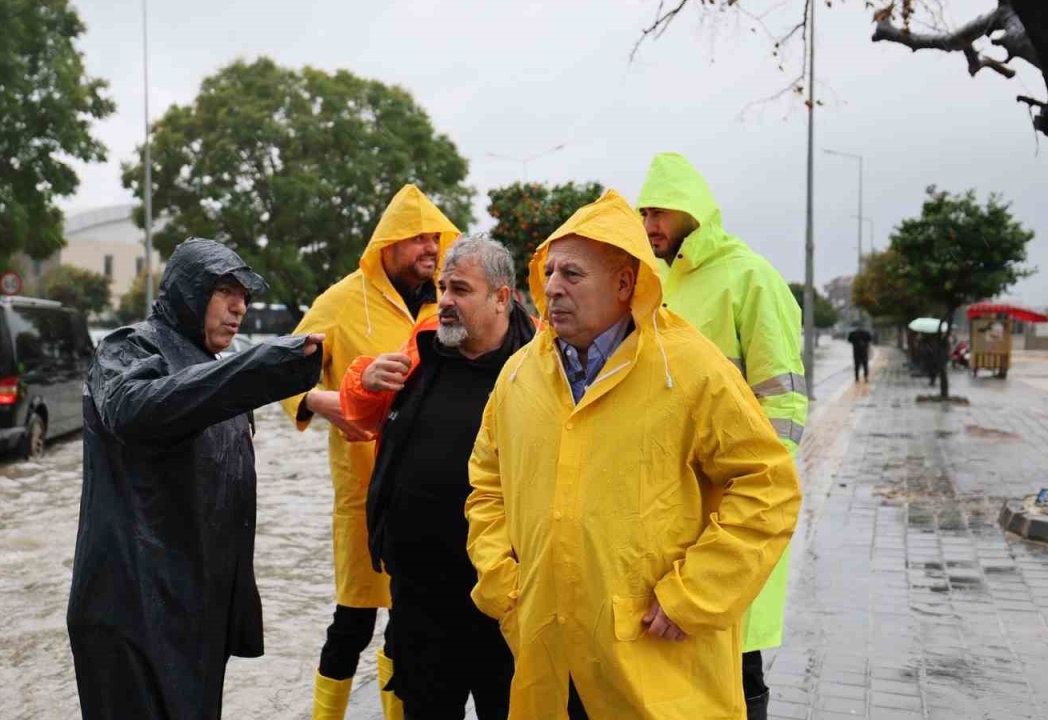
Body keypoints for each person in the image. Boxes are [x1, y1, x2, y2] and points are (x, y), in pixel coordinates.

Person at [466, 189, 801, 719]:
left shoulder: (690, 369)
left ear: (626, 284)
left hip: (651, 658)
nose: (552, 287)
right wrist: (502, 583)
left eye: (572, 275)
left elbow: (769, 484)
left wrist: (693, 593)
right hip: (546, 652)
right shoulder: (520, 375)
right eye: (549, 271)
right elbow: (487, 483)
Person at [67, 238, 324, 720]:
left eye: (244, 296)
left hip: (193, 611)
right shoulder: (127, 347)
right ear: (188, 290)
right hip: (130, 613)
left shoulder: (211, 366)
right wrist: (262, 368)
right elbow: (134, 409)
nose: (239, 307)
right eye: (224, 291)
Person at [280, 184, 461, 720]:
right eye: (418, 239)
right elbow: (283, 371)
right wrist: (318, 400)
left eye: (435, 238)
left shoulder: (445, 304)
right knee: (353, 621)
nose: (430, 248)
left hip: (432, 494)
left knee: (408, 622)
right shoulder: (338, 302)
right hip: (364, 491)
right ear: (387, 244)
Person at [637, 152, 807, 719]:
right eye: (644, 213)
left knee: (737, 661)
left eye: (660, 212)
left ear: (694, 212)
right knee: (672, 660)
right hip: (664, 501)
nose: (649, 226)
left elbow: (783, 398)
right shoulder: (652, 280)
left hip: (732, 505)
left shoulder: (750, 277)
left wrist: (755, 490)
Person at [340, 236, 535, 720]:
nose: (444, 300)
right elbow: (361, 418)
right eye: (442, 287)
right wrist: (363, 382)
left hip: (508, 595)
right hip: (420, 593)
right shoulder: (425, 344)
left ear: (501, 298)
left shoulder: (540, 362)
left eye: (461, 290)